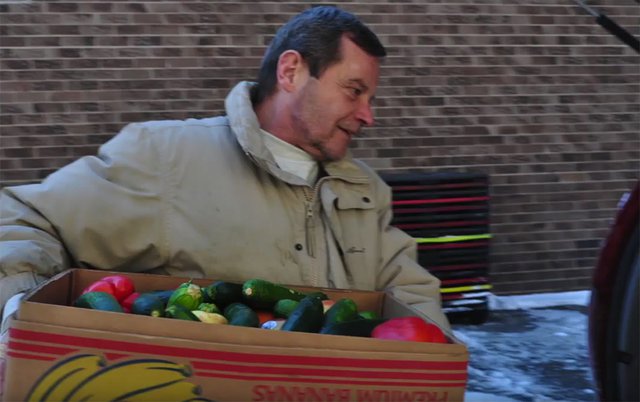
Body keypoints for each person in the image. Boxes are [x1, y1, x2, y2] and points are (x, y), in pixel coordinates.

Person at [0, 6, 450, 332]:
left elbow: (411, 299)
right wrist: (23, 318)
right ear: (291, 72)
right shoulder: (169, 157)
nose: (368, 115)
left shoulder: (365, 190)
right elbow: (23, 217)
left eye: (371, 99)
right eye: (354, 91)